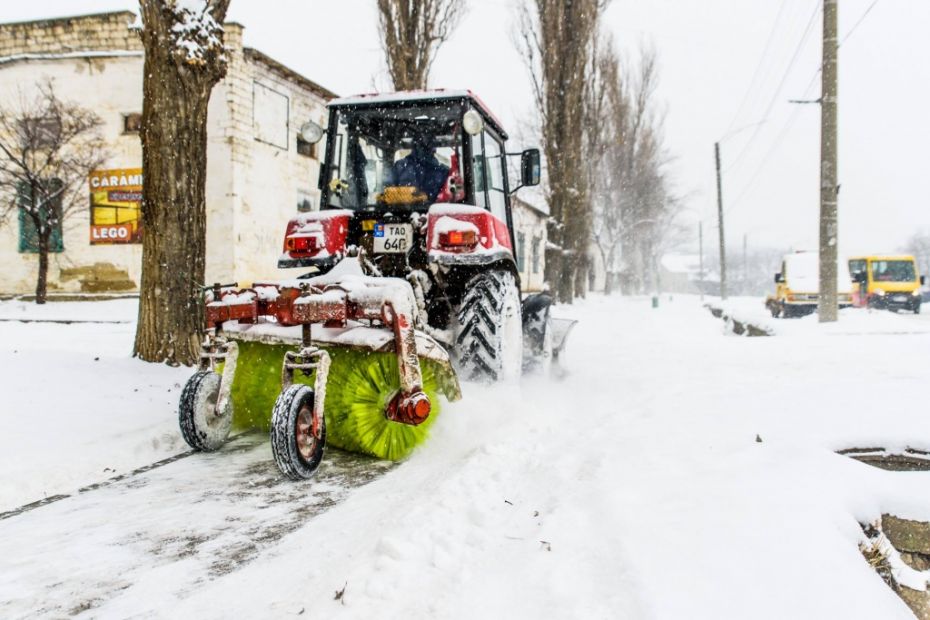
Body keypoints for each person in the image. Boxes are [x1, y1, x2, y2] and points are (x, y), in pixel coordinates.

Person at [389, 133, 449, 202]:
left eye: (429, 145)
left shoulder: (443, 172)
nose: (427, 149)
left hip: (435, 211)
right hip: (404, 211)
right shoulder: (400, 167)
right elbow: (387, 193)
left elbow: (451, 196)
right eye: (423, 145)